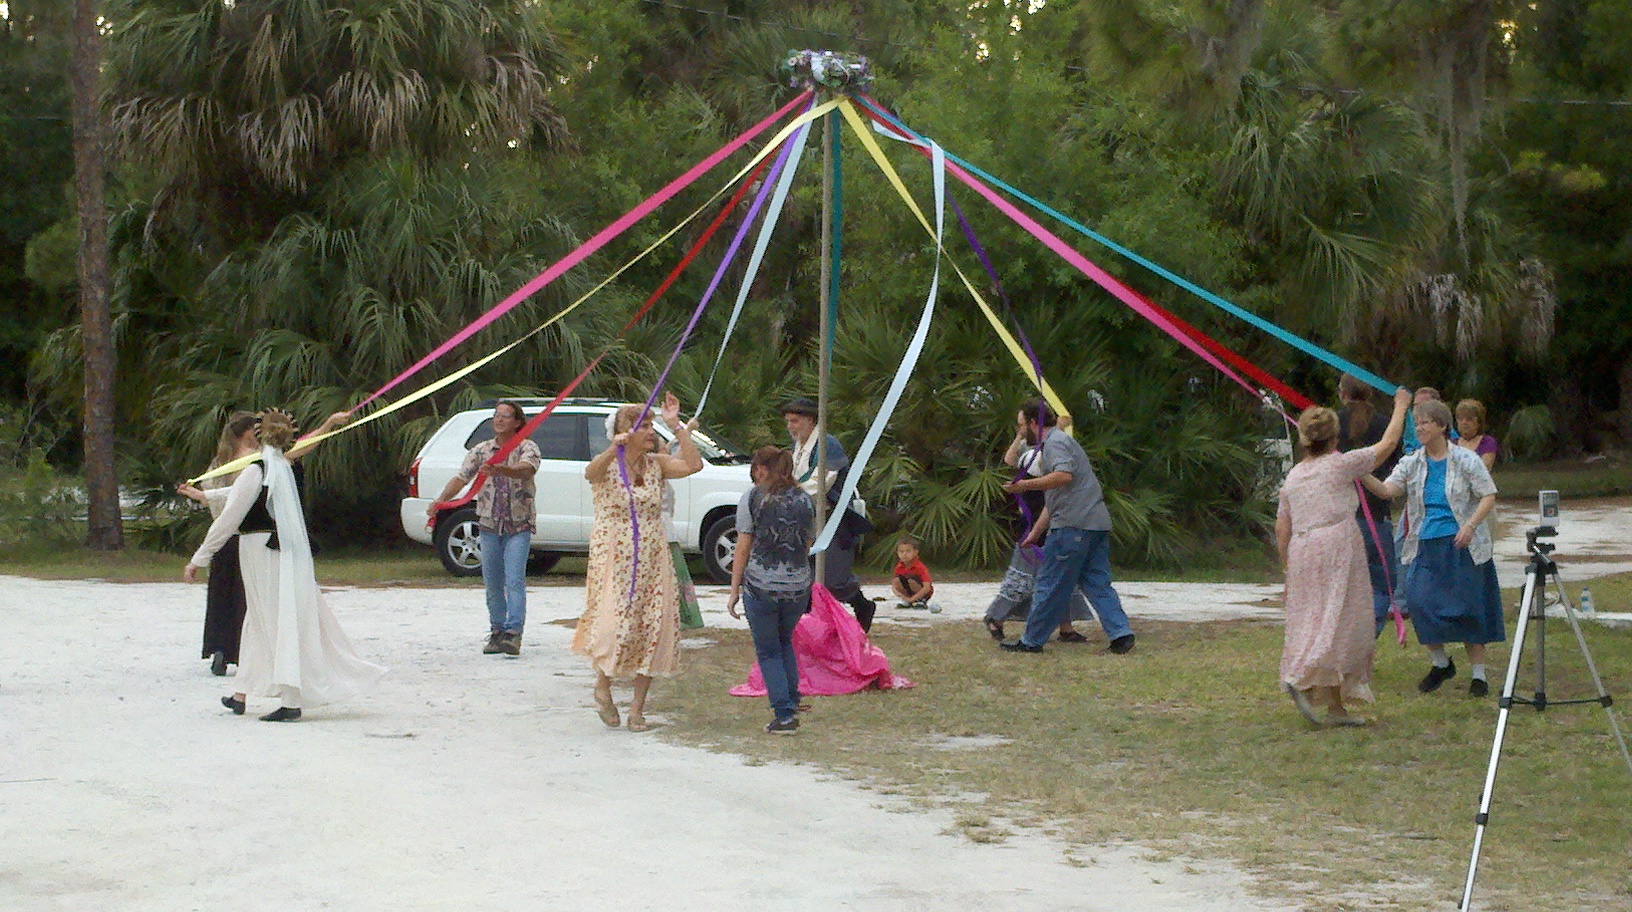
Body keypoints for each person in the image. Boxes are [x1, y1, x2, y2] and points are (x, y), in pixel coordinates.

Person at [183, 408, 386, 722]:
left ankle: (291, 701)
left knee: (277, 622)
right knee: (258, 620)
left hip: (263, 553)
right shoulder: (276, 466)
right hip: (267, 553)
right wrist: (205, 494)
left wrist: (200, 557)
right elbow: (237, 493)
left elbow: (230, 517)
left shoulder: (259, 468)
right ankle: (241, 693)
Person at [1276, 388, 1412, 726]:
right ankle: (1301, 676)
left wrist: (1286, 565)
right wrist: (1401, 406)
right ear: (1335, 436)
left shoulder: (1294, 476)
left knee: (1312, 617)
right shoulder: (1341, 464)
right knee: (1344, 619)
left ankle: (1335, 707)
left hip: (1302, 548)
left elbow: (1282, 525)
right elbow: (1387, 445)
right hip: (1337, 545)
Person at [575, 393, 703, 732]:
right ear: (623, 431)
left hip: (652, 551)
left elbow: (693, 465)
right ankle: (602, 686)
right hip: (614, 552)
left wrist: (678, 428)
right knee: (615, 623)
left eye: (651, 424)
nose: (650, 431)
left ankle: (637, 709)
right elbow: (591, 473)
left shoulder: (656, 464)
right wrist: (612, 449)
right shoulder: (609, 464)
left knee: (654, 624)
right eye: (642, 425)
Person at [1362, 399, 1503, 697]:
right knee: (1417, 600)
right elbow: (1388, 490)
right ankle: (1441, 663)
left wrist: (1470, 525)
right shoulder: (1413, 462)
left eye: (1425, 422)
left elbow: (1488, 494)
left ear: (1441, 425)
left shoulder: (1465, 459)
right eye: (1417, 422)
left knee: (1468, 609)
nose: (1420, 428)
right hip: (1425, 545)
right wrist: (1361, 473)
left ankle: (1479, 676)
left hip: (1462, 545)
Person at [998, 400, 1135, 654]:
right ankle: (1121, 634)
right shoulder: (1061, 443)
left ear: (1033, 423)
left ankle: (1031, 641)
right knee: (1096, 582)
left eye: (1021, 426)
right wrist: (1036, 533)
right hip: (1094, 524)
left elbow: (1064, 476)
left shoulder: (1055, 443)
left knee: (1050, 583)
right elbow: (1055, 499)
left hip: (1072, 527)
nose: (1021, 431)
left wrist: (1024, 486)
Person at [428, 400, 542, 656]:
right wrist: (441, 501)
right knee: (492, 582)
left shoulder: (527, 447)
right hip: (489, 525)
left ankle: (513, 633)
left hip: (518, 525)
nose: (499, 420)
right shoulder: (481, 450)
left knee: (514, 579)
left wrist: (503, 469)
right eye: (496, 415)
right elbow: (462, 477)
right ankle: (496, 631)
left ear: (516, 422)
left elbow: (526, 470)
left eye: (505, 416)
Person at [726, 447, 816, 735]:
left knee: (768, 651)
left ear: (762, 469)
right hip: (797, 585)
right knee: (785, 641)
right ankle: (792, 696)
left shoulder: (753, 498)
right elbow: (807, 543)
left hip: (761, 584)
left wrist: (734, 589)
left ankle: (784, 713)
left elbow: (743, 546)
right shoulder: (804, 499)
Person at [983, 421, 1095, 642]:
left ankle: (1066, 627)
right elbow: (1011, 459)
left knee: (1062, 577)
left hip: (1055, 523)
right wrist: (1020, 435)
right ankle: (995, 617)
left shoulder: (1054, 449)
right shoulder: (1034, 455)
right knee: (1022, 579)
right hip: (1033, 524)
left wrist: (1058, 432)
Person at [781, 397, 877, 632]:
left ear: (810, 420)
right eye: (788, 422)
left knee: (834, 578)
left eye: (795, 421)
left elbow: (821, 483)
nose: (790, 426)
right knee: (805, 573)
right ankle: (808, 625)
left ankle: (862, 606)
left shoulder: (828, 445)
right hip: (808, 518)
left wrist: (788, 490)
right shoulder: (799, 447)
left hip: (833, 518)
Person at [177, 411, 259, 676]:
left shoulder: (222, 461)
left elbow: (215, 496)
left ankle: (222, 650)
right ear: (247, 431)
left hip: (226, 536)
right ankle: (236, 651)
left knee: (224, 596)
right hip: (243, 534)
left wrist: (203, 495)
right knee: (241, 597)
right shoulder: (250, 460)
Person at [1336, 375, 1405, 637]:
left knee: (1344, 587)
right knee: (1379, 586)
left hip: (1341, 517)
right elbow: (1396, 460)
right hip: (1377, 517)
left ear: (1342, 394)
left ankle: (1345, 642)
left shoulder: (1333, 425)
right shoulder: (1387, 426)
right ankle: (1365, 639)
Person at [890, 535, 936, 611]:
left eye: (908, 551)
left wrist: (913, 598)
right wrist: (901, 595)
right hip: (908, 592)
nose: (904, 554)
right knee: (896, 580)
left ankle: (920, 600)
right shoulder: (899, 566)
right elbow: (894, 584)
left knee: (911, 581)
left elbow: (927, 587)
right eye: (901, 552)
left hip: (922, 591)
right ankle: (907, 601)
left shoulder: (919, 567)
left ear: (916, 552)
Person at [1455, 399, 1499, 471]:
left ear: (1479, 423)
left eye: (1469, 419)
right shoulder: (1451, 443)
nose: (1464, 422)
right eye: (1460, 419)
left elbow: (1483, 469)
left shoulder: (1487, 442)